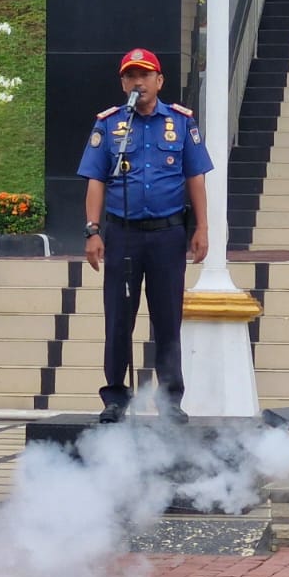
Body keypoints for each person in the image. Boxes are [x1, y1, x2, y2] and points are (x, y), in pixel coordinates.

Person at [77, 47, 211, 423]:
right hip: (122, 234)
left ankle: (170, 399)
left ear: (159, 81)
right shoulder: (110, 125)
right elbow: (95, 180)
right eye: (131, 76)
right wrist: (93, 231)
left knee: (167, 319)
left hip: (168, 234)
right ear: (123, 83)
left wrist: (202, 228)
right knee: (119, 316)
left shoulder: (182, 123)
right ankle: (116, 397)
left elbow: (195, 177)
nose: (139, 82)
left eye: (145, 75)